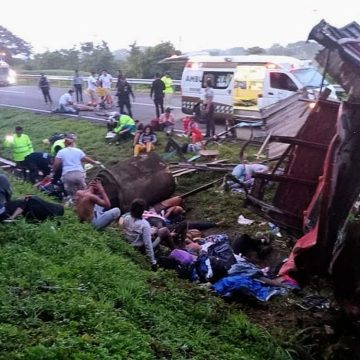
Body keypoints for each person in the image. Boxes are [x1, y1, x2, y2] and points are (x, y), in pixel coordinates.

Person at [119, 199, 157, 270]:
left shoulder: (127, 218)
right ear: (142, 211)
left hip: (127, 243)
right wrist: (153, 262)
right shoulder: (145, 224)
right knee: (162, 232)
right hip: (138, 248)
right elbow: (147, 244)